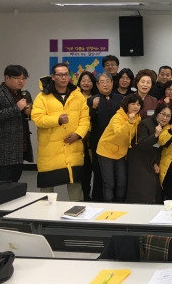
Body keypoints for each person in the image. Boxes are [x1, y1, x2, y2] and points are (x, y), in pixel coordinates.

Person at [31, 63, 90, 201]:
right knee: (47, 186)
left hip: (73, 146)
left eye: (66, 74)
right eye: (60, 75)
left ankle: (77, 210)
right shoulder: (42, 96)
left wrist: (78, 134)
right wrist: (57, 119)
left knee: (75, 183)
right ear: (53, 77)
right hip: (50, 149)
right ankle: (45, 212)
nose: (64, 78)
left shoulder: (77, 95)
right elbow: (37, 118)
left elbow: (85, 118)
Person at [0, 65, 34, 182]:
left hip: (20, 148)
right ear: (7, 78)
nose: (21, 81)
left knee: (15, 183)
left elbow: (28, 116)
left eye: (24, 78)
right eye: (17, 78)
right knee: (2, 185)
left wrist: (30, 113)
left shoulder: (25, 94)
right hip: (2, 150)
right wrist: (16, 108)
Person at [96, 94, 141, 203]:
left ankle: (120, 204)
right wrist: (129, 122)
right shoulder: (117, 117)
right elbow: (119, 133)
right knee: (109, 183)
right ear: (126, 105)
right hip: (106, 151)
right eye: (133, 104)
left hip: (121, 152)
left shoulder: (137, 118)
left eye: (138, 104)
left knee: (122, 182)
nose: (136, 107)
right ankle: (110, 206)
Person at [87, 73, 123, 202]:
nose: (105, 84)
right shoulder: (91, 100)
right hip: (98, 142)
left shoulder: (121, 99)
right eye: (102, 82)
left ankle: (117, 200)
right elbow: (86, 119)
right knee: (99, 174)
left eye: (108, 81)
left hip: (117, 142)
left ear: (112, 83)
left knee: (118, 175)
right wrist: (93, 108)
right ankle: (98, 200)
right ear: (97, 85)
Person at [127, 103, 171, 204]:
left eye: (168, 116)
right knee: (142, 189)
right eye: (163, 114)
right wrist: (155, 135)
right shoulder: (145, 124)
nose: (165, 118)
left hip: (152, 159)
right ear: (157, 113)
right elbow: (143, 143)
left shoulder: (166, 127)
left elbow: (160, 147)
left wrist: (156, 162)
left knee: (154, 189)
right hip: (139, 158)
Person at [76, 71, 98, 200]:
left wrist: (88, 131)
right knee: (83, 169)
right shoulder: (74, 96)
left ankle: (94, 195)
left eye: (89, 80)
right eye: (83, 80)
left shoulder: (97, 97)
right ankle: (84, 195)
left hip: (93, 137)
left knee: (93, 167)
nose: (86, 83)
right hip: (79, 137)